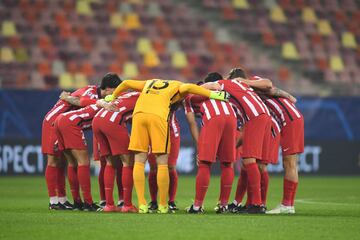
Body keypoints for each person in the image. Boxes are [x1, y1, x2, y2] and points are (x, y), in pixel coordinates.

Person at [104, 79, 229, 213]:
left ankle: (142, 204)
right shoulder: (178, 85)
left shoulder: (150, 82)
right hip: (158, 117)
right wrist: (215, 95)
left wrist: (113, 96)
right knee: (162, 162)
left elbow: (127, 83)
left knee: (139, 160)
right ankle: (163, 205)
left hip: (139, 116)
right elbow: (188, 86)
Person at [42, 73, 120, 210]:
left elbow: (77, 101)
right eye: (116, 90)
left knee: (64, 162)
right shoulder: (92, 94)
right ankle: (55, 201)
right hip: (55, 120)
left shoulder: (94, 93)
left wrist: (67, 97)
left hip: (62, 120)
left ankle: (63, 200)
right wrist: (101, 103)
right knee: (54, 161)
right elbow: (81, 102)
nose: (117, 94)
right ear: (107, 89)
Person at [201, 70, 273, 214]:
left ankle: (257, 204)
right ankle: (255, 203)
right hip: (266, 116)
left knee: (249, 161)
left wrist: (185, 89)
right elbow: (269, 84)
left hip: (254, 117)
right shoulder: (245, 86)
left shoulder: (225, 83)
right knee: (257, 164)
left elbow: (207, 87)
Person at [184, 72, 238, 214]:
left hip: (214, 118)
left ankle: (197, 206)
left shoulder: (190, 97)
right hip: (231, 118)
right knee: (227, 164)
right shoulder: (223, 91)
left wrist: (199, 147)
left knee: (205, 163)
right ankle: (224, 205)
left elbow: (192, 122)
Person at [92, 91, 140, 213]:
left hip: (97, 120)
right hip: (112, 122)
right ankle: (127, 205)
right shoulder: (145, 98)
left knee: (110, 162)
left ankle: (109, 205)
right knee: (128, 162)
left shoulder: (126, 94)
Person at [147, 109, 181, 213]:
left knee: (171, 166)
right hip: (153, 130)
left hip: (171, 131)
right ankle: (153, 201)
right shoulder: (148, 93)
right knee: (153, 167)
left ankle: (171, 201)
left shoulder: (171, 93)